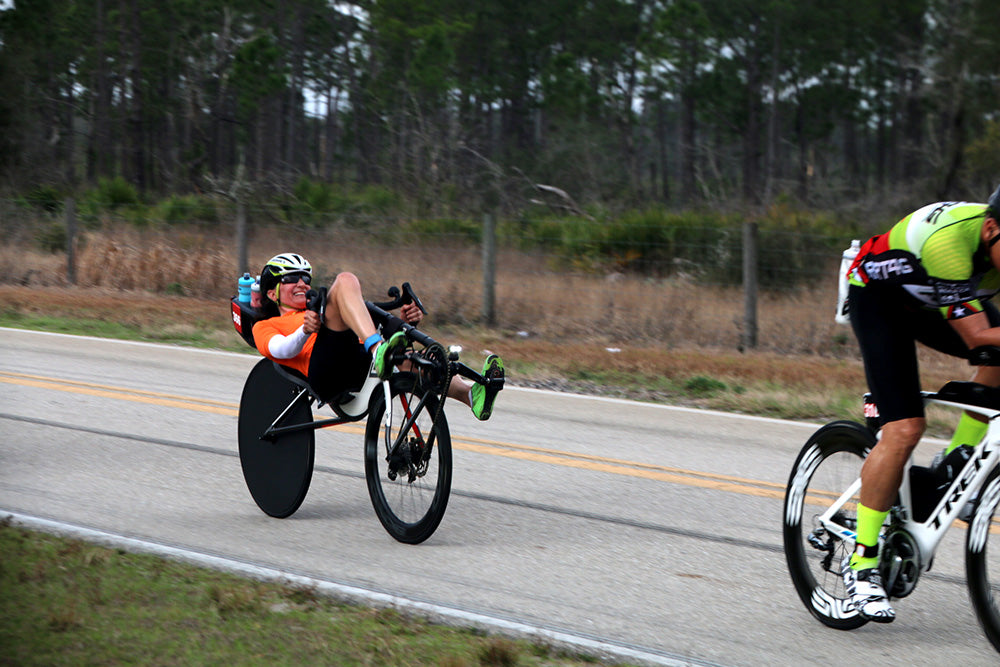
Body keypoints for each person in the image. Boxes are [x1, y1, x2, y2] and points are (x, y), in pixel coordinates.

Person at [843, 184, 1000, 623]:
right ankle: (862, 565)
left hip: (936, 297)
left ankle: (958, 459)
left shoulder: (993, 242)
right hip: (881, 300)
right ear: (991, 229)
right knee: (905, 429)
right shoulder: (950, 241)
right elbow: (977, 339)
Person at [251, 253, 503, 420]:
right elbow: (281, 350)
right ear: (272, 294)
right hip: (326, 374)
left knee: (418, 359)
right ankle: (378, 349)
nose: (303, 283)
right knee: (345, 280)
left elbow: (363, 325)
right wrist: (304, 330)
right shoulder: (267, 325)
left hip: (358, 360)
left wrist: (404, 321)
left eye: (306, 278)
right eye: (291, 278)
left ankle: (473, 395)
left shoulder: (318, 311)